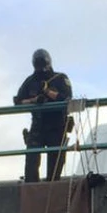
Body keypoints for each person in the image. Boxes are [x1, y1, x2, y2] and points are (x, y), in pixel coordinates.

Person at [14, 48, 73, 183]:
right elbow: (18, 101)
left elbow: (67, 98)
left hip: (57, 127)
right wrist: (33, 100)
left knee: (54, 172)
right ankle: (32, 189)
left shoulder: (60, 78)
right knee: (31, 166)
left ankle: (51, 189)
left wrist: (48, 92)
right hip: (38, 127)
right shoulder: (30, 81)